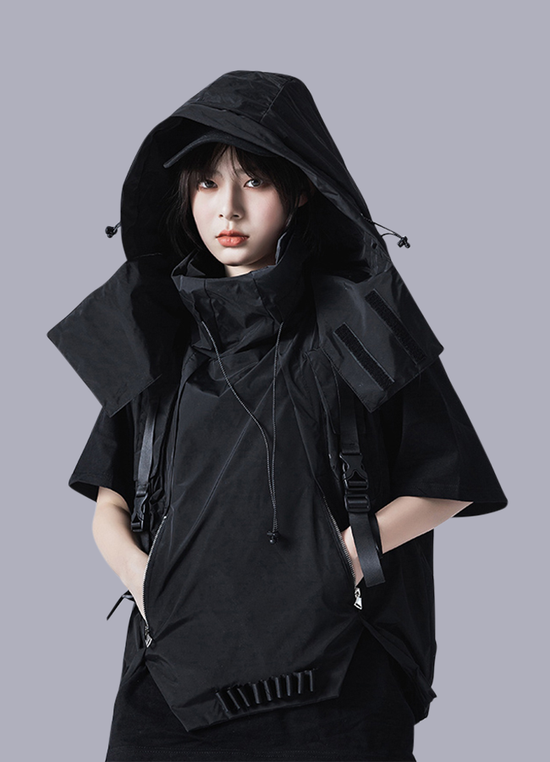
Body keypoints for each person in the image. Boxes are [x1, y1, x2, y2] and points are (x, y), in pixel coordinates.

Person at [48, 71, 508, 762]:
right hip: (172, 680)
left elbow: (448, 480)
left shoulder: (360, 321)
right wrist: (146, 581)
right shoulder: (154, 328)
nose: (227, 208)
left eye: (254, 181)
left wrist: (339, 564)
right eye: (207, 183)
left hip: (337, 682)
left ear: (299, 192)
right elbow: (110, 497)